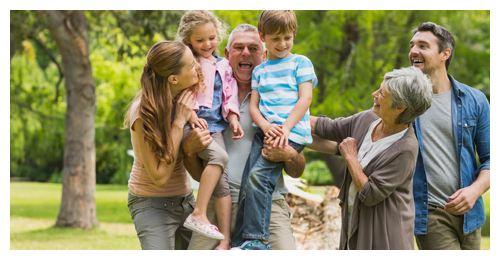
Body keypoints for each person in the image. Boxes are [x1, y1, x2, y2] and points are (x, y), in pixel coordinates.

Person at [182, 23, 306, 250]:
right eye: (238, 48)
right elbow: (197, 172)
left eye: (253, 48)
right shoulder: (206, 98)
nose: (246, 53)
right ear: (227, 54)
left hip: (267, 202)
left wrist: (288, 153)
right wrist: (189, 150)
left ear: (265, 53)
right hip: (218, 200)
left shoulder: (281, 102)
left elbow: (297, 170)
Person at [311, 67, 433, 249]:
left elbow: (370, 194)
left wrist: (351, 158)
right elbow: (326, 127)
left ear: (400, 107)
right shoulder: (367, 119)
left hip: (384, 234)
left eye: (382, 93)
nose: (374, 94)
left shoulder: (406, 148)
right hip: (353, 220)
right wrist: (281, 118)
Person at [231, 10, 317, 250]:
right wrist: (267, 126)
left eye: (287, 38)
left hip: (291, 134)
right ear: (263, 37)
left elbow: (305, 99)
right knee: (250, 179)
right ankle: (244, 240)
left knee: (259, 177)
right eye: (276, 38)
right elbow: (254, 106)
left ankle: (256, 240)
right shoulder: (260, 71)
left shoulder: (300, 63)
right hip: (267, 132)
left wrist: (285, 130)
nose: (282, 44)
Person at [409, 22, 490, 250]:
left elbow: (491, 158)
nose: (414, 51)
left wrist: (474, 191)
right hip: (431, 213)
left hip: (470, 214)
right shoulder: (404, 101)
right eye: (412, 45)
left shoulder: (475, 100)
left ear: (445, 53)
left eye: (423, 46)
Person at [124, 41, 200, 250]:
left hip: (185, 201)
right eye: (192, 66)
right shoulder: (143, 113)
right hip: (151, 204)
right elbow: (159, 177)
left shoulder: (183, 100)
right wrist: (178, 122)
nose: (198, 68)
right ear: (173, 79)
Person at [175, 10, 244, 241]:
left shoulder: (223, 65)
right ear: (188, 41)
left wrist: (233, 116)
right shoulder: (186, 63)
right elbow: (181, 92)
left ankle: (224, 240)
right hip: (193, 123)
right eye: (200, 40)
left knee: (222, 186)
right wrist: (191, 115)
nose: (207, 44)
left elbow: (229, 93)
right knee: (220, 158)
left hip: (216, 126)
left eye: (212, 38)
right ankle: (199, 212)